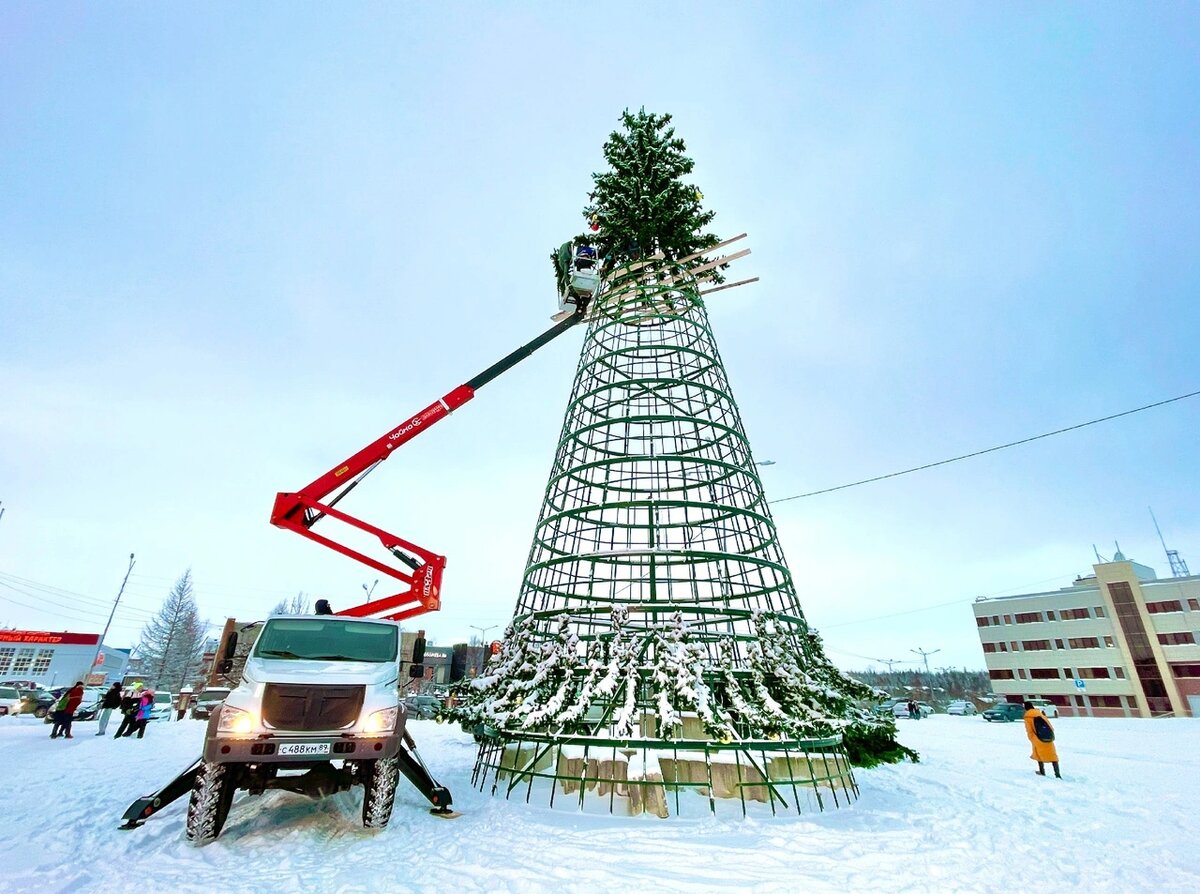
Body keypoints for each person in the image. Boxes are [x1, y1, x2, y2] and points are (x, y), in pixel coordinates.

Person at [1023, 700, 1061, 778]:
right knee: (1053, 755)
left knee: (1038, 755)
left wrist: (1032, 739)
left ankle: (1042, 771)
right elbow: (1050, 726)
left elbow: (1029, 730)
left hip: (1037, 738)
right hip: (1048, 737)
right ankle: (1057, 774)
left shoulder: (1028, 717)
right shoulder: (1040, 714)